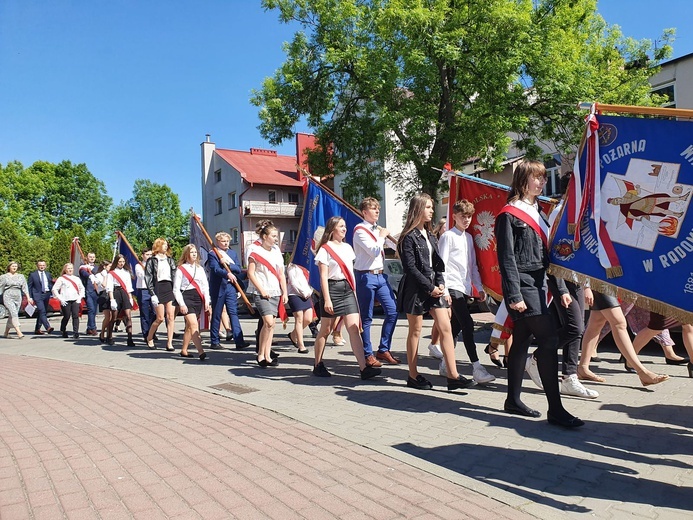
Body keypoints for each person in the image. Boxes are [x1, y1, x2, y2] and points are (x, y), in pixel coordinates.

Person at [495, 159, 583, 427]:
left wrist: (559, 289)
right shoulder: (509, 214)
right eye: (537, 177)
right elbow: (506, 258)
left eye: (544, 177)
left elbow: (549, 256)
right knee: (547, 340)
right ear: (523, 179)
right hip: (522, 284)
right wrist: (513, 295)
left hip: (540, 282)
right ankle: (555, 409)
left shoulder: (540, 212)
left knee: (522, 339)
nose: (543, 182)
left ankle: (512, 400)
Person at [396, 194, 473, 392]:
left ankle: (453, 376)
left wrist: (439, 284)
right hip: (416, 289)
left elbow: (439, 264)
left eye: (431, 207)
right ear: (418, 209)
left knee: (445, 328)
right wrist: (430, 288)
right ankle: (413, 375)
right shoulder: (408, 237)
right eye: (428, 207)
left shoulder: (431, 235)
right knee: (415, 331)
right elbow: (410, 268)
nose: (432, 210)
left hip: (434, 288)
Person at [312, 216, 382, 380]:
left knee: (353, 327)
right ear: (333, 229)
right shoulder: (325, 249)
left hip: (348, 289)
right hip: (332, 289)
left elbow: (351, 272)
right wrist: (327, 299)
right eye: (341, 226)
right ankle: (317, 364)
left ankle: (364, 368)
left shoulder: (348, 248)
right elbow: (323, 277)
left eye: (345, 226)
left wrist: (355, 292)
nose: (344, 229)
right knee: (326, 330)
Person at [438, 199, 495, 384]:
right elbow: (442, 265)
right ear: (454, 216)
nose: (467, 220)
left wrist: (478, 287)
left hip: (464, 287)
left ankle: (446, 363)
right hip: (452, 286)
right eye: (463, 216)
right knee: (468, 325)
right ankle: (477, 367)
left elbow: (472, 266)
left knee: (454, 327)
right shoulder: (448, 236)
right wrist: (444, 289)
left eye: (469, 216)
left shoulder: (468, 238)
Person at [578, 291, 669, 386]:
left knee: (597, 323)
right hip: (601, 283)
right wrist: (587, 287)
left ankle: (583, 367)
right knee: (619, 323)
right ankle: (642, 372)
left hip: (609, 283)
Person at [353, 197, 399, 367]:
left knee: (393, 311)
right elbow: (373, 251)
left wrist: (393, 239)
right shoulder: (360, 230)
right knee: (367, 317)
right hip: (366, 275)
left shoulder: (377, 230)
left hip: (380, 275)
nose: (377, 211)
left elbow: (394, 248)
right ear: (364, 212)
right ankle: (367, 354)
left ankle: (384, 349)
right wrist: (381, 236)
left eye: (378, 208)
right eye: (373, 209)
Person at [246, 222, 288, 367]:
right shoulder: (254, 251)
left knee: (271, 326)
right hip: (261, 292)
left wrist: (285, 292)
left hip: (275, 291)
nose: (276, 239)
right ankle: (260, 355)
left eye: (277, 236)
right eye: (274, 236)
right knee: (268, 322)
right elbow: (251, 273)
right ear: (265, 236)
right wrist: (262, 290)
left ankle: (267, 354)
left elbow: (281, 273)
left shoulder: (276, 251)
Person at [208, 232, 247, 350]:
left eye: (227, 241)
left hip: (230, 287)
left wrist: (228, 263)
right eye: (223, 241)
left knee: (233, 313)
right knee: (217, 314)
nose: (226, 243)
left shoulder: (232, 253)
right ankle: (214, 341)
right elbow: (215, 269)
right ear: (217, 242)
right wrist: (226, 273)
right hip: (219, 287)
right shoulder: (213, 253)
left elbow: (238, 268)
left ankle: (239, 340)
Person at [173, 244, 211, 360]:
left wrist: (207, 301)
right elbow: (176, 289)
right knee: (194, 324)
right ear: (186, 254)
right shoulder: (181, 269)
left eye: (195, 252)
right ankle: (201, 351)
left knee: (189, 327)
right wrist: (182, 304)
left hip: (198, 297)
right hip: (187, 297)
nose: (194, 254)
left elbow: (205, 286)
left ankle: (184, 350)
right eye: (192, 252)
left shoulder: (200, 269)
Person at [145, 238, 177, 351]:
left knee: (171, 316)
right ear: (158, 246)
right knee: (160, 318)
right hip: (158, 287)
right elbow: (148, 278)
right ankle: (149, 337)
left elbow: (175, 275)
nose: (166, 246)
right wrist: (152, 293)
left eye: (166, 245)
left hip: (169, 287)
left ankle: (169, 343)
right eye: (163, 244)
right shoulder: (152, 261)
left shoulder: (170, 260)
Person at [105, 254, 136, 347]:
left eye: (123, 262)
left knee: (128, 316)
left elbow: (129, 286)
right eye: (119, 262)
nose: (122, 263)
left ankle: (130, 338)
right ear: (116, 262)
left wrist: (130, 297)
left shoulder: (126, 272)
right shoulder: (112, 273)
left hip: (125, 293)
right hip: (116, 293)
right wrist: (112, 299)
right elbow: (109, 287)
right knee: (114, 317)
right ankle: (109, 336)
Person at [52, 263, 86, 339]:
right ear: (65, 270)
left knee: (75, 316)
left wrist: (80, 297)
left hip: (75, 299)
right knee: (66, 316)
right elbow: (54, 289)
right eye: (68, 268)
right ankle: (63, 330)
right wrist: (60, 298)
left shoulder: (76, 278)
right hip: (65, 300)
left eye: (71, 268)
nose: (70, 270)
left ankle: (75, 332)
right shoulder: (61, 279)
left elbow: (82, 288)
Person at [286, 262, 314, 354]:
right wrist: (303, 293)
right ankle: (301, 345)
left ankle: (293, 334)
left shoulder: (306, 265)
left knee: (308, 319)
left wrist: (310, 291)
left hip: (307, 293)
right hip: (294, 294)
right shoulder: (291, 266)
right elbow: (293, 282)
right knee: (299, 318)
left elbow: (311, 280)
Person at [0, 261, 31, 339]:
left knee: (12, 314)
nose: (14, 268)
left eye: (16, 266)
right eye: (13, 266)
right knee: (13, 313)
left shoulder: (21, 276)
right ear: (9, 267)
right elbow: (1, 288)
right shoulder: (3, 277)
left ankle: (6, 333)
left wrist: (28, 297)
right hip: (8, 295)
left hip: (18, 296)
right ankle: (19, 332)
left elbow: (25, 287)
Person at [134, 248, 156, 343]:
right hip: (143, 290)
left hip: (153, 290)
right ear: (143, 256)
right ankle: (146, 334)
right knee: (145, 314)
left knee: (155, 313)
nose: (149, 257)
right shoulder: (138, 266)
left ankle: (152, 332)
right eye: (147, 255)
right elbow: (142, 276)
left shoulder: (155, 265)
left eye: (151, 255)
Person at [27, 260, 54, 335]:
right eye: (40, 265)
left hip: (46, 294)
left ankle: (37, 329)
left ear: (45, 266)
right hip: (37, 295)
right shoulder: (33, 275)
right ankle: (48, 327)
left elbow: (50, 284)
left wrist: (52, 292)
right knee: (42, 311)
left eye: (43, 265)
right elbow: (29, 286)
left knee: (42, 312)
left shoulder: (48, 274)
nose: (42, 266)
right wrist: (30, 297)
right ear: (37, 266)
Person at [78, 252, 99, 336]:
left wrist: (92, 269)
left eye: (93, 257)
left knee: (94, 311)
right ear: (87, 258)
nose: (92, 258)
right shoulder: (83, 267)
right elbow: (84, 274)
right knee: (91, 309)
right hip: (88, 291)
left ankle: (89, 328)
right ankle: (93, 328)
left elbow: (99, 274)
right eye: (90, 257)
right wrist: (88, 271)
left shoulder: (96, 267)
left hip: (96, 290)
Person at [95, 261, 112, 343]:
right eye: (109, 266)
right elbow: (103, 285)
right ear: (105, 267)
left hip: (111, 295)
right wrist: (105, 276)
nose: (111, 268)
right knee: (108, 316)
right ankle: (102, 332)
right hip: (104, 295)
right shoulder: (98, 275)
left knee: (113, 317)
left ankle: (109, 335)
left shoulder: (112, 274)